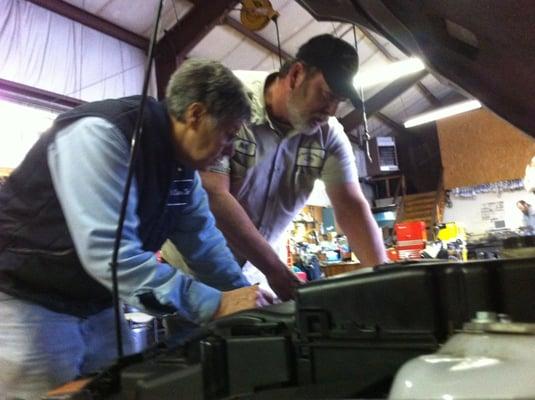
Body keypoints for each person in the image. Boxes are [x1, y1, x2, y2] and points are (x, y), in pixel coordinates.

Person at [0, 59, 271, 398]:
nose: (230, 149)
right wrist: (214, 304)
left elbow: (204, 244)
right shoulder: (101, 134)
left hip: (98, 302)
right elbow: (112, 258)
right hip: (29, 299)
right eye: (229, 135)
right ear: (196, 115)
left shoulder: (182, 170)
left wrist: (249, 300)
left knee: (125, 390)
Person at [200, 34, 388, 300]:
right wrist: (275, 269)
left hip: (256, 275)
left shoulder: (329, 134)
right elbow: (213, 194)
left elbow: (350, 206)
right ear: (297, 74)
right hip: (197, 271)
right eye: (326, 95)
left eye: (339, 101)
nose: (331, 110)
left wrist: (385, 278)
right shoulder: (228, 99)